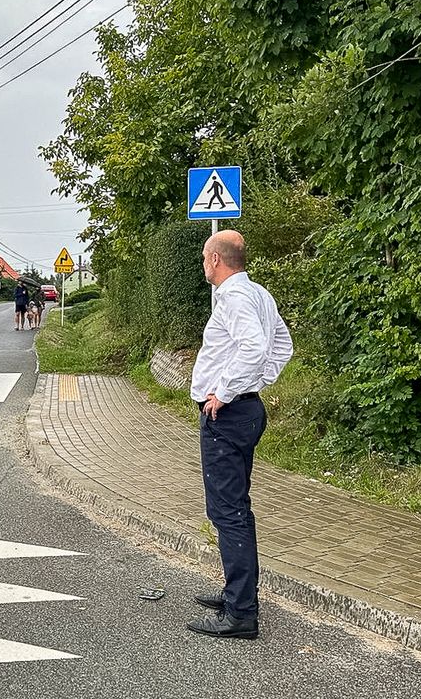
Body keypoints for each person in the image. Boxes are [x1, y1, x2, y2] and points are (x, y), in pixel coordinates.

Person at [187, 230, 293, 640]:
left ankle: (240, 613)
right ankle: (238, 592)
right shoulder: (259, 294)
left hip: (228, 415)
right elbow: (282, 345)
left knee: (226, 512)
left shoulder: (232, 297)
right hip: (245, 409)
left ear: (216, 259)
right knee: (236, 507)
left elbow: (255, 345)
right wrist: (256, 384)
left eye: (203, 257)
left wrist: (226, 391)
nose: (203, 264)